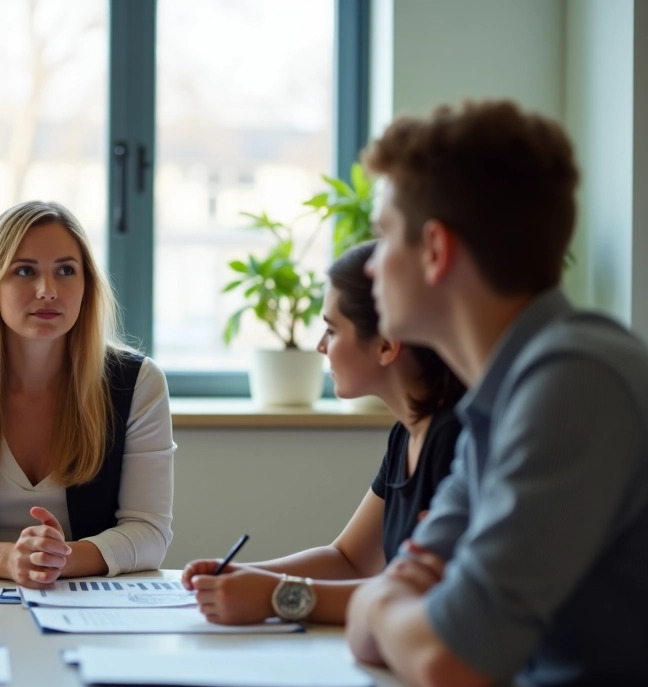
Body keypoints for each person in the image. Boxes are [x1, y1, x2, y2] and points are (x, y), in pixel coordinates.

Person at [345, 100, 648, 687]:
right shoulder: (495, 401)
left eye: (384, 233)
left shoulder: (573, 379)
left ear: (434, 249)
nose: (369, 267)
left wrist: (384, 604)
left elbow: (451, 658)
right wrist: (393, 606)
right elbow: (385, 621)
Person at [181, 241, 464, 625]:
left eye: (332, 329)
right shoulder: (407, 434)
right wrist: (248, 576)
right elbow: (348, 559)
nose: (320, 346)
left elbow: (431, 598)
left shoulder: (455, 442)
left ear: (385, 345)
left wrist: (276, 596)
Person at [0, 201, 175, 587]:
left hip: (87, 600)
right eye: (24, 271)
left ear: (87, 286)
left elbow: (149, 532)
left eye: (66, 271)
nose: (48, 291)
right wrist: (10, 559)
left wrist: (58, 560)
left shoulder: (138, 383)